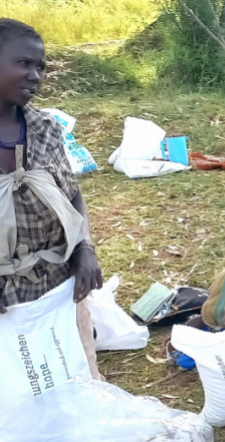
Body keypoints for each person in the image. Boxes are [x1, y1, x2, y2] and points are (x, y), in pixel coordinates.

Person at [0, 19, 102, 379]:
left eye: (41, 67)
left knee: (73, 377)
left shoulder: (45, 128)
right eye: (24, 63)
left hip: (56, 279)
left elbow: (71, 194)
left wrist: (84, 249)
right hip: (5, 296)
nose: (35, 76)